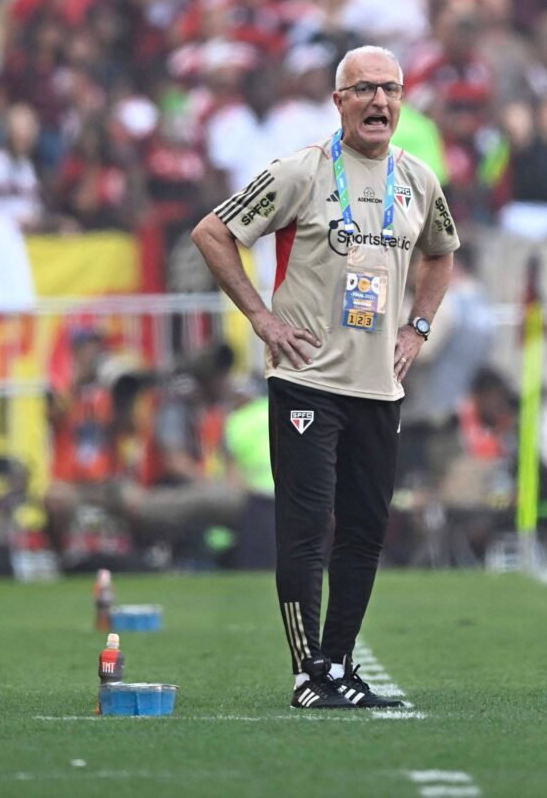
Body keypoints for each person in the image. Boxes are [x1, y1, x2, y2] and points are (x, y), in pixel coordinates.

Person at [191, 45, 459, 710]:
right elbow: (212, 232)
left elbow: (442, 254)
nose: (379, 101)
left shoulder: (418, 179)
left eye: (390, 89)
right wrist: (260, 317)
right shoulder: (300, 173)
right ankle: (307, 671)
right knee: (308, 529)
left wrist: (416, 330)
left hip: (379, 387)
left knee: (367, 528)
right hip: (308, 382)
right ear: (339, 101)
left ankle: (337, 665)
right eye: (364, 89)